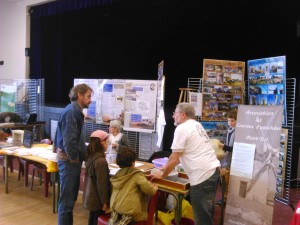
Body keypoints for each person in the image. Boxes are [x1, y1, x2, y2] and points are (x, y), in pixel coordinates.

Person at [151, 102, 220, 225]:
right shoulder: (196, 125)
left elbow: (174, 157)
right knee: (206, 214)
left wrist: (162, 175)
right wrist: (166, 167)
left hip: (202, 176)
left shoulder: (182, 128)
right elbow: (185, 155)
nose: (173, 116)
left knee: (201, 217)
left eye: (175, 113)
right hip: (212, 171)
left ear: (182, 114)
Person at [54, 83, 93, 225]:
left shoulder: (73, 111)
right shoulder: (71, 112)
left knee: (68, 201)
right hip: (70, 163)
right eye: (88, 96)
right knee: (66, 202)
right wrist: (75, 159)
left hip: (70, 162)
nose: (90, 100)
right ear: (79, 95)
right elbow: (68, 141)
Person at [109, 147, 158, 225]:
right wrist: (154, 188)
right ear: (133, 162)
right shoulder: (137, 175)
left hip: (116, 210)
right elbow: (150, 191)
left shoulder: (117, 174)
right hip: (129, 213)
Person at [83, 130, 111, 225]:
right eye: (107, 142)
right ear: (102, 142)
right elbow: (102, 184)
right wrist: (105, 201)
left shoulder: (90, 156)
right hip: (98, 199)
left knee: (92, 219)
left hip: (91, 196)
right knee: (96, 220)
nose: (108, 144)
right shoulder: (101, 161)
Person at [219, 111, 237, 204]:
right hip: (226, 159)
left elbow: (236, 148)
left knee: (229, 181)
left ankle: (226, 200)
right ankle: (224, 199)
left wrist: (224, 146)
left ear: (237, 121)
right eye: (229, 120)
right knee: (225, 181)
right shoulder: (229, 130)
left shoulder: (238, 132)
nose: (230, 123)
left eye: (233, 121)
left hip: (233, 160)